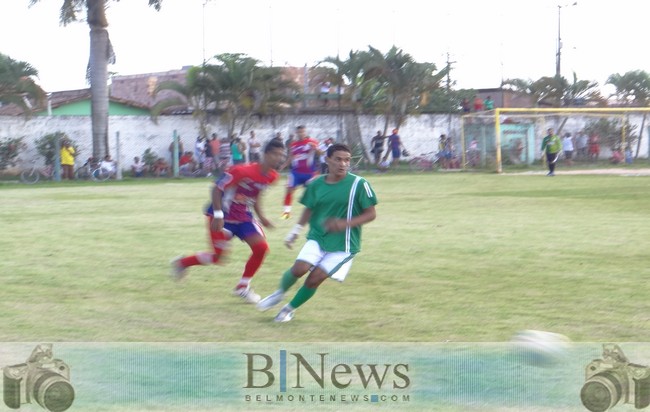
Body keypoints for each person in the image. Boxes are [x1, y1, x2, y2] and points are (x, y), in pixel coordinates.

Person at [256, 143, 378, 322]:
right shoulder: (316, 184)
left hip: (344, 245)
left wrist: (345, 223)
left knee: (314, 279)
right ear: (327, 160)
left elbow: (371, 214)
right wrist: (295, 231)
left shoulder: (359, 184)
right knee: (299, 269)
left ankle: (288, 309)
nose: (343, 164)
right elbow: (310, 208)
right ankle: (279, 293)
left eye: (347, 160)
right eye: (338, 159)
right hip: (318, 237)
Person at [170, 139, 287, 303]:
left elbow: (256, 195)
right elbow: (217, 189)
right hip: (222, 217)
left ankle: (243, 287)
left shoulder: (272, 176)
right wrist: (218, 215)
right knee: (218, 258)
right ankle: (182, 262)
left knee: (261, 248)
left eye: (282, 155)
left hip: (244, 217)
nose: (279, 158)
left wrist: (262, 218)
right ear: (265, 154)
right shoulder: (241, 170)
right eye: (275, 154)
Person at [281, 125, 320, 220]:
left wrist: (315, 148)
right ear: (296, 133)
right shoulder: (293, 145)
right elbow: (291, 157)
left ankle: (316, 212)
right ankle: (286, 213)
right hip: (296, 172)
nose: (301, 134)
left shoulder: (312, 142)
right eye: (299, 132)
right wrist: (283, 165)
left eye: (303, 132)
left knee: (312, 192)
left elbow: (320, 153)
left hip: (309, 173)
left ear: (305, 132)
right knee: (289, 189)